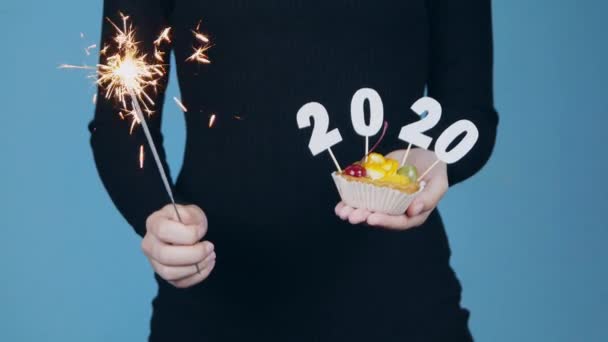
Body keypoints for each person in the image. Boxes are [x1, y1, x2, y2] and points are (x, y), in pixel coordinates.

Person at [90, 0, 498, 341]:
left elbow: (470, 112)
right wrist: (157, 216)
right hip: (212, 301)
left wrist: (433, 160)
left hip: (398, 302)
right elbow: (121, 121)